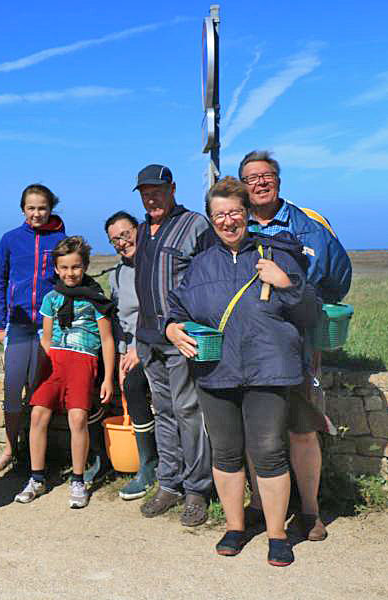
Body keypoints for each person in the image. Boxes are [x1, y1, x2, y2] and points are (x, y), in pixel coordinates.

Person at [165, 176, 319, 566]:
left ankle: (277, 534)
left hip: (268, 370)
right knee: (227, 453)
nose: (228, 221)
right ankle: (234, 527)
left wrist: (285, 283)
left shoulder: (277, 255)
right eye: (220, 214)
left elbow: (309, 314)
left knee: (268, 453)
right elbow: (177, 311)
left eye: (235, 212)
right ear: (211, 219)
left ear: (247, 214)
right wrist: (171, 329)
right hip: (216, 371)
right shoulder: (199, 265)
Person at [239, 150, 352, 541]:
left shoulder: (309, 227)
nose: (260, 182)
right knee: (257, 431)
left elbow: (336, 280)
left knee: (302, 430)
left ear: (279, 181)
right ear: (243, 185)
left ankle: (309, 511)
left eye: (266, 175)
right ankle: (261, 506)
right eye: (252, 177)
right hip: (250, 348)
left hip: (298, 347)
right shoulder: (235, 226)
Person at [132, 164, 214, 527]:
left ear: (172, 188)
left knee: (188, 410)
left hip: (180, 336)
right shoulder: (141, 229)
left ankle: (197, 489)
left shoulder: (195, 224)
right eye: (145, 192)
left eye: (157, 190)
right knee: (163, 412)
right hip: (148, 337)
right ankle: (169, 483)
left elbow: (210, 277)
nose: (151, 197)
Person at [14, 236, 115, 508]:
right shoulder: (51, 298)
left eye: (76, 267)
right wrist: (39, 374)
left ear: (85, 266)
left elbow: (107, 340)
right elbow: (46, 339)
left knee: (78, 418)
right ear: (57, 269)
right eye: (65, 268)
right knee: (37, 415)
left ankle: (79, 480)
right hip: (54, 363)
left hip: (83, 363)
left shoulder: (96, 300)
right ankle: (36, 478)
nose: (70, 273)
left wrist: (107, 378)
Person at [0, 183, 67, 475]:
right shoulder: (10, 239)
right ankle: (10, 449)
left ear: (51, 209)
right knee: (12, 391)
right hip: (19, 327)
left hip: (49, 326)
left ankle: (36, 457)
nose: (37, 213)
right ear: (23, 209)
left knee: (39, 393)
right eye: (31, 208)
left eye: (42, 208)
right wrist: (0, 324)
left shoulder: (60, 239)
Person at [105, 211, 158, 500]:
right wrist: (123, 357)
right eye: (115, 240)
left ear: (138, 230)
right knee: (127, 385)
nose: (123, 243)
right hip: (132, 350)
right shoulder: (116, 275)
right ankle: (143, 464)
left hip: (158, 345)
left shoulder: (156, 264)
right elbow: (120, 322)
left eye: (126, 235)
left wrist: (140, 348)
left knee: (142, 388)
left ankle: (158, 465)